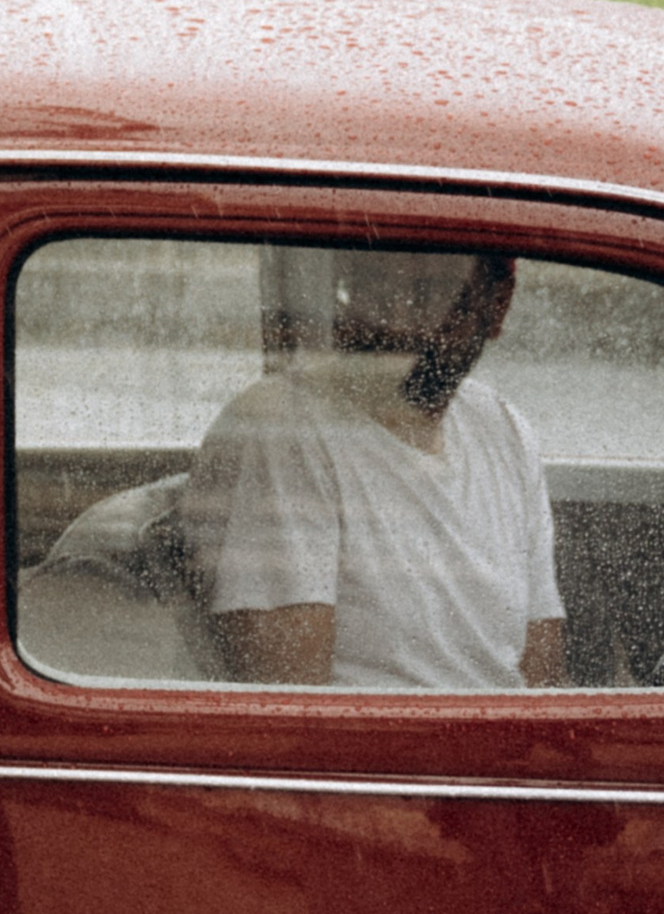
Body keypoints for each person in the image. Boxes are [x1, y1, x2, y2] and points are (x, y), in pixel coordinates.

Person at [180, 246, 565, 689]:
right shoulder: (285, 427)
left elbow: (542, 679)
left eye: (431, 295)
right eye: (376, 289)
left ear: (496, 305)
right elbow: (293, 710)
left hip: (497, 751)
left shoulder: (504, 429)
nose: (398, 321)